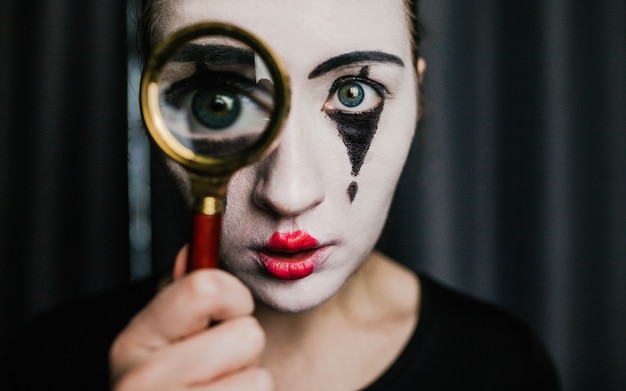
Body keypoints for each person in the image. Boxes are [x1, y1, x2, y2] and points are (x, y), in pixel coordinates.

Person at [2, 0, 560, 390]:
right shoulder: (51, 363)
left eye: (353, 91)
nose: (289, 193)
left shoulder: (501, 367)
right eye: (218, 100)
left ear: (417, 92)